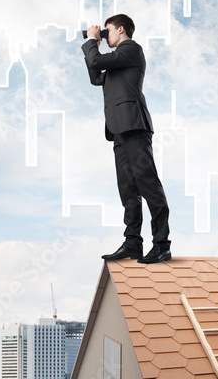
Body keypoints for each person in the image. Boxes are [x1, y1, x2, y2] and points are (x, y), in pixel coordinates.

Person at [82, 14, 171, 264]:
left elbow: (97, 60)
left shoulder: (131, 49)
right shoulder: (116, 62)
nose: (104, 35)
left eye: (106, 30)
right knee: (128, 189)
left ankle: (162, 245)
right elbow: (95, 76)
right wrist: (92, 46)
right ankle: (133, 243)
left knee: (148, 184)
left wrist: (91, 42)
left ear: (120, 30)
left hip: (134, 126)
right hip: (118, 128)